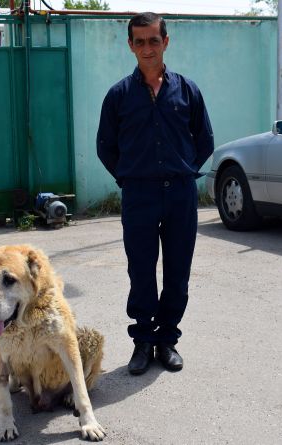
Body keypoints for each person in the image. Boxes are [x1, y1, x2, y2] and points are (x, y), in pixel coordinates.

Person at [96, 12, 214, 376]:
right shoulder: (119, 95)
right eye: (140, 41)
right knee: (141, 272)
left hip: (180, 195)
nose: (147, 48)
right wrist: (131, 179)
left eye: (153, 40)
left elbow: (205, 140)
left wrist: (182, 171)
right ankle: (143, 342)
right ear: (130, 45)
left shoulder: (187, 90)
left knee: (178, 272)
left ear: (166, 41)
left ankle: (168, 340)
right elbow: (106, 147)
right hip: (139, 197)